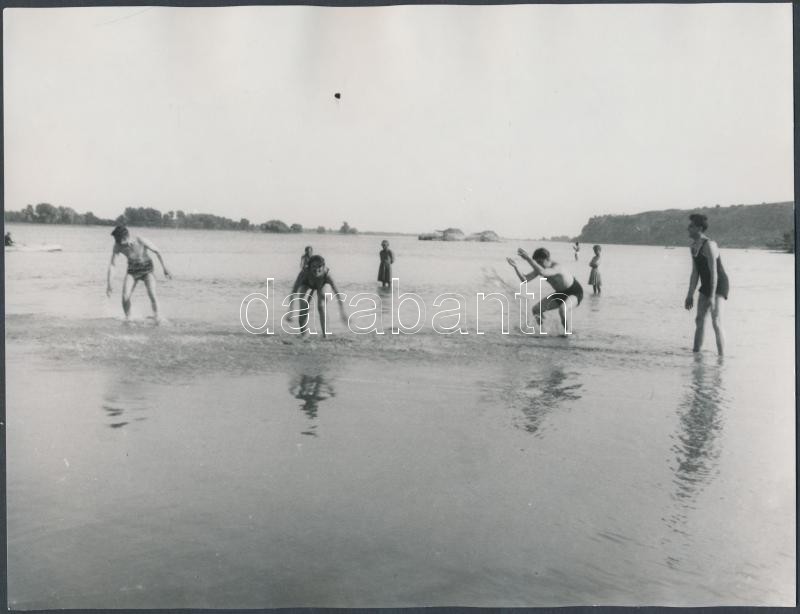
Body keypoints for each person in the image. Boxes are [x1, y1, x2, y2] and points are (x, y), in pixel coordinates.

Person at [507, 247, 583, 334]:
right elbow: (524, 280)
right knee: (536, 310)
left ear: (548, 259)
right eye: (537, 262)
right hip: (560, 293)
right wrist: (516, 267)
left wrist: (528, 258)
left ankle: (568, 334)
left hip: (574, 292)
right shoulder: (541, 268)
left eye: (540, 262)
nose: (539, 264)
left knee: (562, 309)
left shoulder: (557, 267)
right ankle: (544, 331)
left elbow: (543, 272)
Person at [106, 225, 171, 322]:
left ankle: (158, 318)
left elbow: (157, 251)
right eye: (116, 240)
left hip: (147, 270)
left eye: (119, 240)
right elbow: (112, 265)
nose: (118, 242)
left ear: (126, 237)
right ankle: (128, 319)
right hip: (132, 271)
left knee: (152, 294)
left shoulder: (139, 240)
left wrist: (165, 268)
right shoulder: (117, 245)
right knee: (125, 296)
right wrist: (109, 284)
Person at [685, 213, 728, 355]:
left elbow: (714, 272)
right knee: (699, 320)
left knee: (716, 321)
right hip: (706, 284)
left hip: (718, 283)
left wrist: (712, 297)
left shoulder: (709, 245)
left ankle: (722, 359)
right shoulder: (693, 246)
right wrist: (690, 295)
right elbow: (695, 273)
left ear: (699, 228)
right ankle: (696, 356)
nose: (688, 228)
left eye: (691, 226)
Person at [289, 254, 347, 337]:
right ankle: (304, 335)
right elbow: (294, 291)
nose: (317, 269)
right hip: (307, 284)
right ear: (309, 267)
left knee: (321, 305)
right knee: (303, 303)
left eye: (319, 266)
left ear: (323, 267)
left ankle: (325, 335)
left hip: (323, 284)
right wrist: (290, 311)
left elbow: (337, 294)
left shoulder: (327, 275)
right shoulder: (304, 273)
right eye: (314, 266)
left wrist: (342, 312)